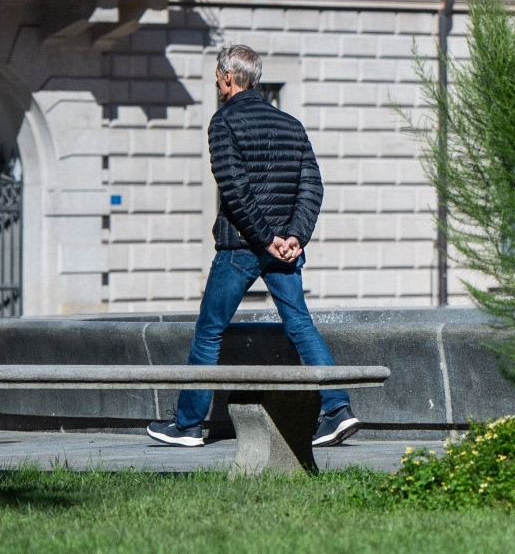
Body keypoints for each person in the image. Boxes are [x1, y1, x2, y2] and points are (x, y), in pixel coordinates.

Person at [147, 44, 360, 449]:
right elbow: (311, 186)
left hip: (241, 247)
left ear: (229, 77)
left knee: (209, 332)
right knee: (300, 325)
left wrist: (268, 238)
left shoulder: (223, 122)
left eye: (218, 77)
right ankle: (337, 410)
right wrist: (294, 235)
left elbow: (235, 189)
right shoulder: (291, 124)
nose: (217, 83)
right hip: (284, 250)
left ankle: (189, 425)